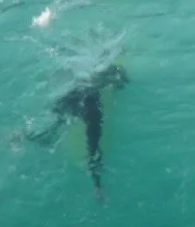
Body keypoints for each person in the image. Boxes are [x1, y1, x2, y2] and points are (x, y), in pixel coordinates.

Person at [29, 62, 128, 197]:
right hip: (86, 103)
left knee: (55, 126)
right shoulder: (94, 111)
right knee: (93, 147)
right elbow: (120, 78)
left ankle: (24, 136)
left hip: (70, 97)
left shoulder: (93, 73)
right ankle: (97, 186)